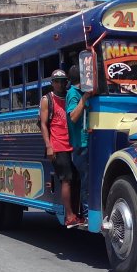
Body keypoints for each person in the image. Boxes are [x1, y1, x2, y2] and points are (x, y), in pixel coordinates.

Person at [40, 69, 84, 228]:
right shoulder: (47, 100)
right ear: (52, 83)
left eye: (62, 81)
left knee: (77, 178)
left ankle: (77, 212)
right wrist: (49, 146)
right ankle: (69, 215)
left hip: (72, 142)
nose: (60, 84)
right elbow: (44, 125)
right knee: (66, 179)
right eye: (56, 81)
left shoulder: (70, 96)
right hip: (58, 144)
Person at [66, 65, 92, 219]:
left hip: (87, 142)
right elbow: (73, 117)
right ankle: (87, 212)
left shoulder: (83, 92)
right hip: (80, 145)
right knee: (86, 179)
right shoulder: (73, 94)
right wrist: (84, 99)